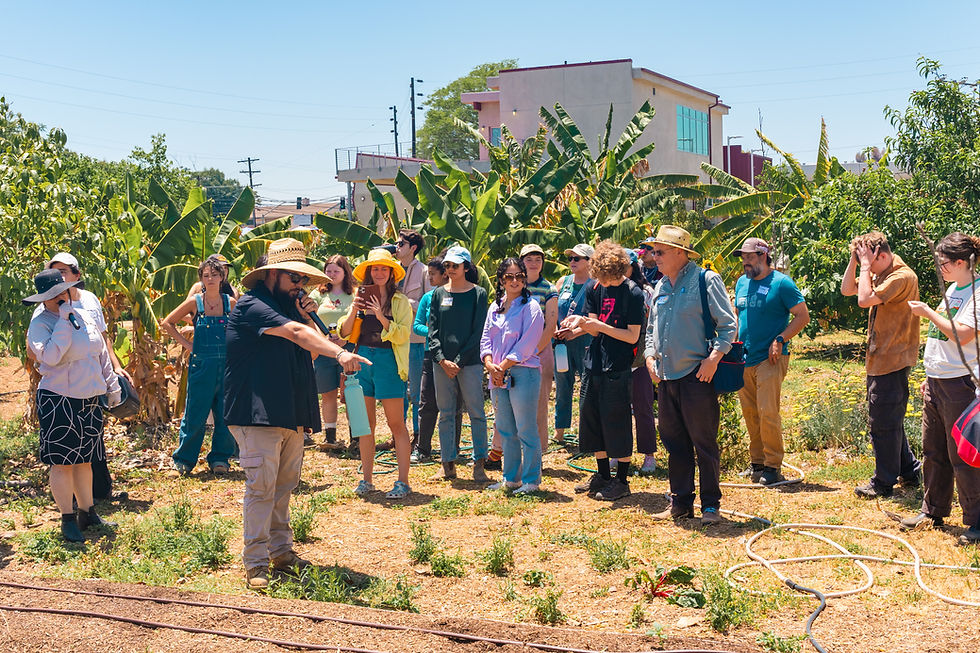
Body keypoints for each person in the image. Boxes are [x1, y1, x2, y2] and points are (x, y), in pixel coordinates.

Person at [224, 238, 368, 590]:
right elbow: (295, 334)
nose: (300, 285)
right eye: (294, 278)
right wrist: (338, 352)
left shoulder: (291, 311)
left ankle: (282, 552)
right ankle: (256, 562)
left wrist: (311, 320)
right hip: (256, 414)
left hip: (287, 412)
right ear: (271, 274)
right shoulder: (252, 306)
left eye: (303, 279)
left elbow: (309, 349)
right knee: (261, 488)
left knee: (284, 486)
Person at [644, 225, 736, 525]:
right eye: (653, 251)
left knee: (704, 443)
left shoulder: (705, 280)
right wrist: (648, 357)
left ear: (680, 253)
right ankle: (680, 503)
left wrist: (713, 359)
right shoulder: (659, 286)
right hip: (667, 376)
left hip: (698, 375)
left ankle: (711, 506)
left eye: (660, 252)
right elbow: (650, 330)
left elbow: (728, 325)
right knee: (674, 443)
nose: (653, 257)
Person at [25, 269, 122, 542]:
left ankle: (87, 512)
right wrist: (64, 323)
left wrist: (111, 386)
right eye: (53, 295)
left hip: (89, 398)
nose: (60, 298)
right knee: (63, 463)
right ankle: (67, 518)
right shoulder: (41, 324)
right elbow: (52, 356)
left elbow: (99, 352)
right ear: (44, 300)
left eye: (63, 292)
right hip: (58, 399)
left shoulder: (83, 316)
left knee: (85, 460)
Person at [901, 232, 980, 545]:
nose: (939, 266)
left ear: (961, 262)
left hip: (960, 384)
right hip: (938, 381)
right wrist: (929, 373)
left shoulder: (977, 293)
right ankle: (933, 510)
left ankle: (976, 522)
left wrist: (927, 312)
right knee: (933, 450)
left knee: (964, 455)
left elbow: (962, 335)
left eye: (943, 261)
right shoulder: (954, 288)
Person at [561, 241, 644, 502]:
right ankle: (602, 475)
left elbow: (632, 337)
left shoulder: (633, 294)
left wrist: (596, 324)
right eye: (601, 278)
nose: (603, 284)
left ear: (620, 271)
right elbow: (594, 327)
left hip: (618, 365)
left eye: (608, 279)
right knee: (592, 418)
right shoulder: (594, 287)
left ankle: (621, 479)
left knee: (617, 421)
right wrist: (576, 327)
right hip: (595, 361)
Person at [841, 230, 922, 498]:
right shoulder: (882, 271)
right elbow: (848, 289)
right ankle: (909, 471)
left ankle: (883, 483)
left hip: (892, 359)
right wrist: (856, 261)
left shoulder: (901, 277)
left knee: (883, 423)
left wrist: (865, 266)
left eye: (870, 261)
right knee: (890, 418)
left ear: (883, 256)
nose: (867, 269)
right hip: (880, 357)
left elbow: (863, 300)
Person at [732, 238, 810, 486]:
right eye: (743, 257)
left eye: (750, 256)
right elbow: (738, 317)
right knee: (750, 412)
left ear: (764, 255)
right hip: (744, 357)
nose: (745, 261)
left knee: (768, 412)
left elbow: (802, 316)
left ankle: (773, 466)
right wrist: (731, 345)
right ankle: (757, 463)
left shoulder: (782, 283)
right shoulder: (741, 283)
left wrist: (780, 339)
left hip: (771, 358)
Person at [339, 249, 414, 499]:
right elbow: (344, 333)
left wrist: (382, 317)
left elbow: (404, 335)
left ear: (392, 272)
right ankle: (367, 480)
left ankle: (403, 481)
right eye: (375, 268)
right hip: (362, 361)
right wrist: (355, 310)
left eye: (384, 268)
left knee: (396, 424)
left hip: (389, 362)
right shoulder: (358, 298)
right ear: (369, 272)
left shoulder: (400, 301)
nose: (379, 272)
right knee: (365, 425)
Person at [160, 258, 237, 475]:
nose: (210, 279)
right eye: (206, 275)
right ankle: (183, 461)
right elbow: (168, 322)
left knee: (225, 414)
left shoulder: (231, 303)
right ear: (201, 279)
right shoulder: (195, 302)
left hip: (227, 366)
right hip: (201, 365)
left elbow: (242, 326)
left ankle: (220, 459)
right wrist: (188, 345)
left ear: (222, 277)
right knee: (195, 412)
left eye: (214, 274)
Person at [481, 258, 545, 493]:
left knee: (526, 428)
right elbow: (485, 339)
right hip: (497, 374)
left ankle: (531, 481)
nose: (515, 280)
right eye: (509, 277)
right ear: (501, 280)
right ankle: (511, 478)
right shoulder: (494, 306)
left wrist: (503, 366)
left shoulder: (532, 307)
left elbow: (527, 345)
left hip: (523, 373)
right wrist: (490, 365)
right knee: (506, 428)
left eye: (519, 275)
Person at [428, 245, 491, 482]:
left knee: (476, 413)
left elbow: (478, 332)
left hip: (470, 362)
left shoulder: (478, 294)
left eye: (455, 265)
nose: (450, 269)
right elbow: (432, 331)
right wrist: (442, 360)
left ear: (466, 267)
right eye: (447, 266)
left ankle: (479, 464)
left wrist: (458, 361)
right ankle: (447, 464)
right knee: (445, 413)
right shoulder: (437, 294)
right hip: (442, 363)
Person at [411, 255, 462, 462]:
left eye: (433, 274)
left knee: (454, 404)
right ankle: (423, 448)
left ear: (445, 274)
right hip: (430, 354)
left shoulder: (462, 294)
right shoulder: (428, 298)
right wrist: (436, 332)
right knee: (427, 401)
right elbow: (417, 325)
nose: (430, 277)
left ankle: (453, 449)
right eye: (428, 273)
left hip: (455, 357)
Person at [308, 255, 357, 452]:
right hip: (324, 351)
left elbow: (359, 320)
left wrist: (346, 339)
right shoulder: (317, 294)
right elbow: (309, 318)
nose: (332, 274)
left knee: (351, 393)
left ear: (345, 272)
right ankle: (330, 436)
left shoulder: (354, 293)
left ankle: (356, 436)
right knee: (328, 395)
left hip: (349, 349)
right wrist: (322, 339)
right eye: (328, 271)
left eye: (336, 271)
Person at [553, 244, 595, 447]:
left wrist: (576, 332)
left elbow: (596, 319)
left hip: (586, 342)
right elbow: (551, 310)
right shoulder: (563, 282)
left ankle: (585, 433)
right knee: (562, 387)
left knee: (586, 389)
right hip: (562, 343)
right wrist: (554, 329)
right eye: (571, 258)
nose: (572, 262)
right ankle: (559, 431)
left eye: (577, 258)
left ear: (589, 261)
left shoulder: (596, 285)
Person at [519, 244, 558, 451]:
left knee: (539, 404)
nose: (534, 263)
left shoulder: (549, 289)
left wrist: (533, 351)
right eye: (529, 259)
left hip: (540, 351)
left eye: (538, 259)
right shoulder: (516, 286)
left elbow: (551, 324)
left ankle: (540, 449)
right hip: (515, 352)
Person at [395, 229, 431, 444]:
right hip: (394, 338)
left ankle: (418, 437)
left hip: (416, 341)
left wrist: (408, 304)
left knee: (416, 391)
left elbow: (430, 306)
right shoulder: (391, 270)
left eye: (401, 244)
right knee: (397, 391)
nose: (396, 248)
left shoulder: (425, 272)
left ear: (413, 248)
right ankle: (398, 436)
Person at [627, 250, 659, 475]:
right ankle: (621, 454)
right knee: (618, 410)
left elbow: (651, 324)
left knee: (643, 408)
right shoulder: (609, 289)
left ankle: (649, 455)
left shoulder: (646, 291)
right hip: (618, 360)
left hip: (639, 359)